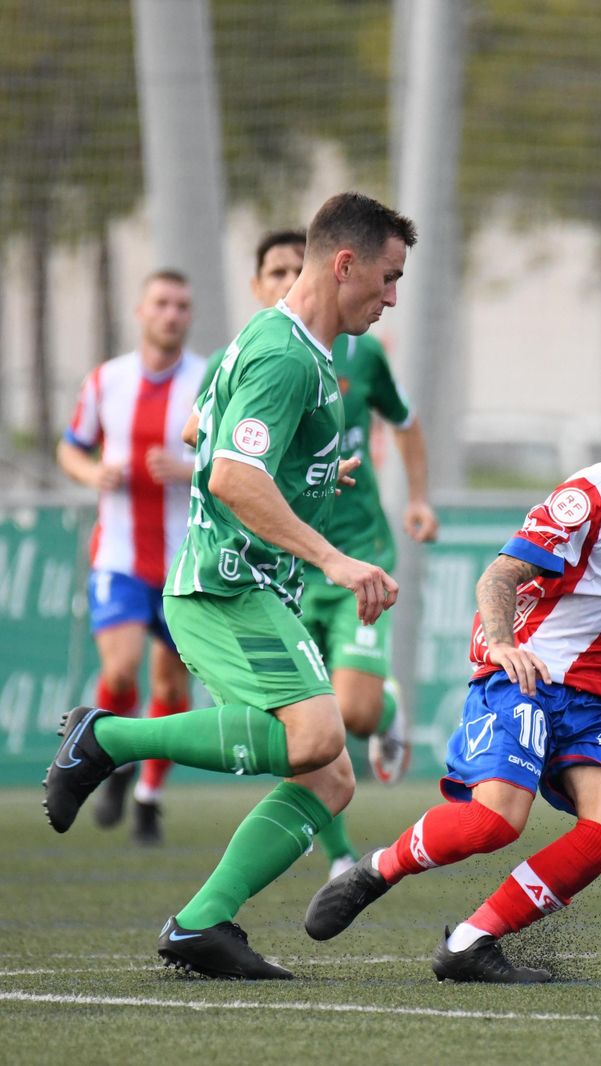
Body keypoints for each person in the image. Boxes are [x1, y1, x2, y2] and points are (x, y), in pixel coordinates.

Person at [43, 191, 412, 980]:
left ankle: (201, 924)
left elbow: (203, 439)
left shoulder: (293, 346)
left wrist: (316, 471)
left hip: (247, 587)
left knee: (331, 774)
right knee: (317, 739)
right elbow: (235, 476)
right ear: (343, 263)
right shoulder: (285, 355)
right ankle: (106, 738)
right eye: (386, 278)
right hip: (225, 585)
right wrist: (334, 558)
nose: (390, 298)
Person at [302, 363, 601, 984]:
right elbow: (499, 576)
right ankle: (382, 866)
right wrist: (501, 643)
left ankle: (470, 941)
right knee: (495, 822)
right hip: (527, 676)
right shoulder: (591, 498)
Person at [191, 228, 440, 879]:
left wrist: (416, 497)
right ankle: (337, 859)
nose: (389, 296)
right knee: (315, 732)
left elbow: (405, 422)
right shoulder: (270, 352)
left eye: (290, 268)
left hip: (353, 548)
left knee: (349, 716)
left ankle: (385, 709)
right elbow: (207, 438)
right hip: (291, 560)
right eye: (273, 271)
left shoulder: (354, 356)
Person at [56, 271, 206, 845]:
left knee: (170, 688)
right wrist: (94, 472)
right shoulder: (106, 380)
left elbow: (228, 460)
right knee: (118, 671)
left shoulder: (205, 380)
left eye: (182, 306)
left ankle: (149, 794)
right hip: (118, 555)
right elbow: (70, 446)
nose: (172, 314)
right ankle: (111, 757)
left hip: (183, 561)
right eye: (162, 304)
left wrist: (189, 469)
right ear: (142, 311)